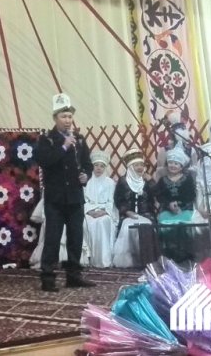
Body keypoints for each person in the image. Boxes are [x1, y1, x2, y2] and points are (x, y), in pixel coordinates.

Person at [33, 93, 95, 292]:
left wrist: (86, 175)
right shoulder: (46, 140)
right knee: (53, 238)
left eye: (69, 116)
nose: (67, 120)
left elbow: (87, 163)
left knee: (76, 237)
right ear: (55, 118)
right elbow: (45, 161)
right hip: (55, 198)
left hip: (75, 197)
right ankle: (48, 278)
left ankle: (74, 276)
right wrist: (63, 146)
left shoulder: (80, 139)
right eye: (63, 116)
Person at [110, 149, 156, 268]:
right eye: (136, 165)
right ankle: (129, 260)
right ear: (130, 167)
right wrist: (126, 211)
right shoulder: (123, 181)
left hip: (146, 213)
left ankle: (145, 259)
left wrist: (151, 181)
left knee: (145, 226)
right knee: (128, 226)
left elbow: (157, 194)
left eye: (141, 165)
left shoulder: (146, 181)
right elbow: (118, 200)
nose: (140, 167)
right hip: (127, 214)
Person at [82, 150, 117, 268]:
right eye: (96, 165)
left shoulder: (110, 183)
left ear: (105, 168)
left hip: (104, 212)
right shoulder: (87, 182)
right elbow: (84, 200)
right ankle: (88, 257)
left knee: (102, 222)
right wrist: (90, 211)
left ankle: (102, 260)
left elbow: (111, 201)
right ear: (92, 167)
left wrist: (103, 211)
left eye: (102, 166)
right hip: (89, 212)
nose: (98, 168)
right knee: (86, 223)